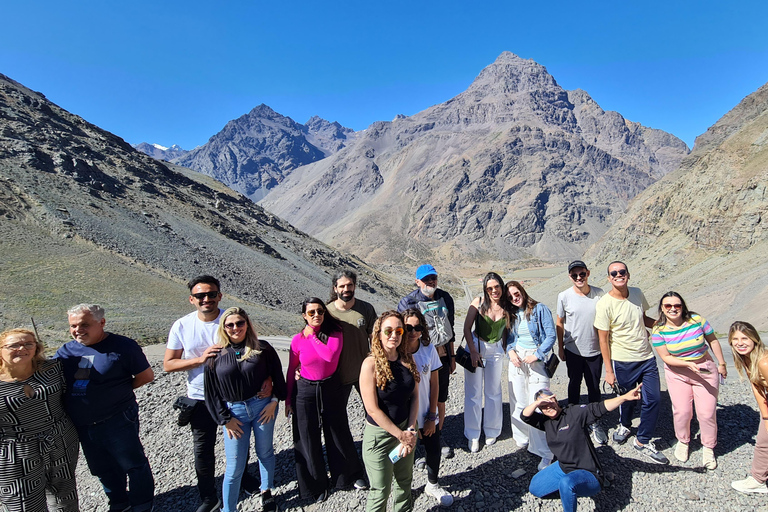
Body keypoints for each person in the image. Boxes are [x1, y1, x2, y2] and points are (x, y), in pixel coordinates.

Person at [164, 275, 261, 512]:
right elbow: (169, 363)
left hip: (233, 396)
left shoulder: (233, 320)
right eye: (200, 295)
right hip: (200, 397)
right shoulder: (182, 325)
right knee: (203, 449)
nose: (206, 299)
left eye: (211, 294)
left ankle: (243, 478)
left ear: (220, 296)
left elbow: (254, 350)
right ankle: (208, 496)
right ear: (192, 299)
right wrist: (200, 360)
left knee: (239, 441)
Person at [56, 304, 155, 512]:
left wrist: (118, 391)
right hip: (83, 424)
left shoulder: (123, 346)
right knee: (101, 468)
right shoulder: (66, 351)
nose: (78, 330)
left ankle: (142, 504)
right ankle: (119, 503)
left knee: (133, 464)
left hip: (118, 417)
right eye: (73, 326)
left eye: (84, 324)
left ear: (101, 323)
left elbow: (146, 376)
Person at [204, 307, 286, 512]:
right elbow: (211, 393)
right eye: (230, 324)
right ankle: (228, 509)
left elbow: (278, 377)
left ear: (247, 324)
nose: (235, 328)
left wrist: (274, 401)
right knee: (234, 465)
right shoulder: (215, 355)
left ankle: (266, 492)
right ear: (223, 328)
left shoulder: (263, 348)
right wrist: (225, 419)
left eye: (240, 323)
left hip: (262, 408)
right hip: (234, 413)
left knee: (265, 452)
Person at [286, 297, 366, 502]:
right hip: (305, 390)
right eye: (311, 312)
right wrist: (288, 399)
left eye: (320, 311)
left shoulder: (335, 332)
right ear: (304, 316)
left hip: (330, 387)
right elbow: (291, 369)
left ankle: (347, 476)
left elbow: (329, 356)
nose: (316, 315)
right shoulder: (297, 340)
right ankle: (315, 485)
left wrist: (312, 335)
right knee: (307, 438)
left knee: (338, 431)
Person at [522, 384, 644, 512]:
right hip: (564, 467)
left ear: (556, 400)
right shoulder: (545, 422)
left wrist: (624, 397)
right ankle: (569, 491)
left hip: (588, 473)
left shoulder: (574, 413)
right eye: (543, 406)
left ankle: (573, 490)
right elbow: (524, 416)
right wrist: (537, 403)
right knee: (535, 488)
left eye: (550, 402)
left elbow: (599, 408)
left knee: (567, 483)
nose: (548, 407)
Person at [594, 261, 669, 464]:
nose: (618, 275)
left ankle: (642, 440)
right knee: (627, 398)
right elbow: (603, 339)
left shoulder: (637, 293)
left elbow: (643, 318)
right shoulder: (604, 304)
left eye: (622, 272)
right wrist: (609, 371)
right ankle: (625, 425)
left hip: (647, 357)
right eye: (614, 273)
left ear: (628, 274)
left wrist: (666, 326)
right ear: (609, 278)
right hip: (623, 360)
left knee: (653, 399)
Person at [0, 328, 79, 512]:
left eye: (28, 344)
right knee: (23, 504)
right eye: (14, 345)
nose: (22, 348)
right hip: (15, 451)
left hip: (61, 439)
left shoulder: (53, 368)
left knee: (65, 497)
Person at [651, 292, 727, 469]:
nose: (673, 309)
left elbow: (713, 341)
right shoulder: (658, 330)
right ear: (662, 308)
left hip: (704, 370)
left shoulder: (697, 320)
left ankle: (708, 446)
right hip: (677, 374)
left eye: (677, 305)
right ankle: (683, 440)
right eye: (668, 306)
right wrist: (687, 364)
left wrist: (721, 363)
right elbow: (666, 357)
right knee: (682, 411)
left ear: (683, 306)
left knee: (707, 412)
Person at [360, 311, 420, 512]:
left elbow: (415, 397)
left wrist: (410, 429)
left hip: (406, 429)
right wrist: (401, 435)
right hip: (380, 437)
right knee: (380, 490)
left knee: (404, 482)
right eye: (388, 331)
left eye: (399, 331)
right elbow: (372, 409)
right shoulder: (370, 364)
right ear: (379, 334)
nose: (394, 335)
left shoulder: (407, 359)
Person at [397, 264, 456, 459]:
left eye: (433, 278)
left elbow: (450, 330)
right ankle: (418, 440)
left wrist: (452, 356)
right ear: (417, 282)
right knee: (416, 398)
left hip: (442, 356)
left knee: (440, 398)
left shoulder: (445, 298)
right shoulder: (408, 302)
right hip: (417, 358)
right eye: (426, 279)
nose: (431, 282)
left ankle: (437, 435)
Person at [403, 309, 453, 507]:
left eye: (418, 328)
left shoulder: (428, 348)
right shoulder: (396, 350)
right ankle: (403, 489)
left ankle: (432, 484)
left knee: (433, 448)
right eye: (408, 327)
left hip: (425, 411)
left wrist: (432, 415)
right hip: (404, 415)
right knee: (404, 453)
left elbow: (435, 383)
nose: (413, 332)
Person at [556, 261, 607, 445]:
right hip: (573, 350)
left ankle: (594, 421)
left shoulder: (599, 294)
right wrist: (560, 347)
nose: (579, 278)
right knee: (574, 384)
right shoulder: (564, 296)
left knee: (594, 387)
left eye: (582, 274)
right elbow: (559, 322)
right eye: (574, 275)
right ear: (570, 277)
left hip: (595, 350)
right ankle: (573, 418)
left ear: (588, 273)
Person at [506, 280, 556, 469]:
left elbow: (550, 335)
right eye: (510, 297)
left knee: (539, 403)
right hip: (517, 359)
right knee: (519, 401)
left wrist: (537, 354)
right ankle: (523, 438)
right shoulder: (511, 314)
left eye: (516, 293)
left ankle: (545, 452)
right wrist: (510, 351)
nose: (514, 298)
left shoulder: (539, 309)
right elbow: (510, 338)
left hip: (536, 359)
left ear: (522, 291)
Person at [463, 272, 514, 453]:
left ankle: (492, 430)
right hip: (476, 348)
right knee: (473, 393)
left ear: (502, 286)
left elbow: (508, 330)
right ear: (485, 289)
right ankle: (473, 434)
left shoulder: (507, 305)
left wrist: (507, 348)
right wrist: (473, 351)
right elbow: (466, 328)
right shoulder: (478, 303)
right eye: (490, 288)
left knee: (493, 391)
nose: (494, 291)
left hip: (496, 350)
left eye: (497, 286)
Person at [326, 270, 377, 419]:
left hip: (364, 373)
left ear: (355, 286)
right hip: (337, 375)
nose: (346, 289)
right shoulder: (327, 312)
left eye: (349, 285)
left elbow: (375, 340)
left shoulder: (366, 309)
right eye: (342, 286)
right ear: (335, 288)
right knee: (336, 417)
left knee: (374, 412)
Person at [728, 321, 768, 493]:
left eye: (745, 338)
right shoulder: (746, 357)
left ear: (754, 339)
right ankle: (758, 480)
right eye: (735, 339)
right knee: (763, 441)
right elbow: (757, 386)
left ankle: (758, 480)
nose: (740, 343)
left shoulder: (764, 362)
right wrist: (765, 417)